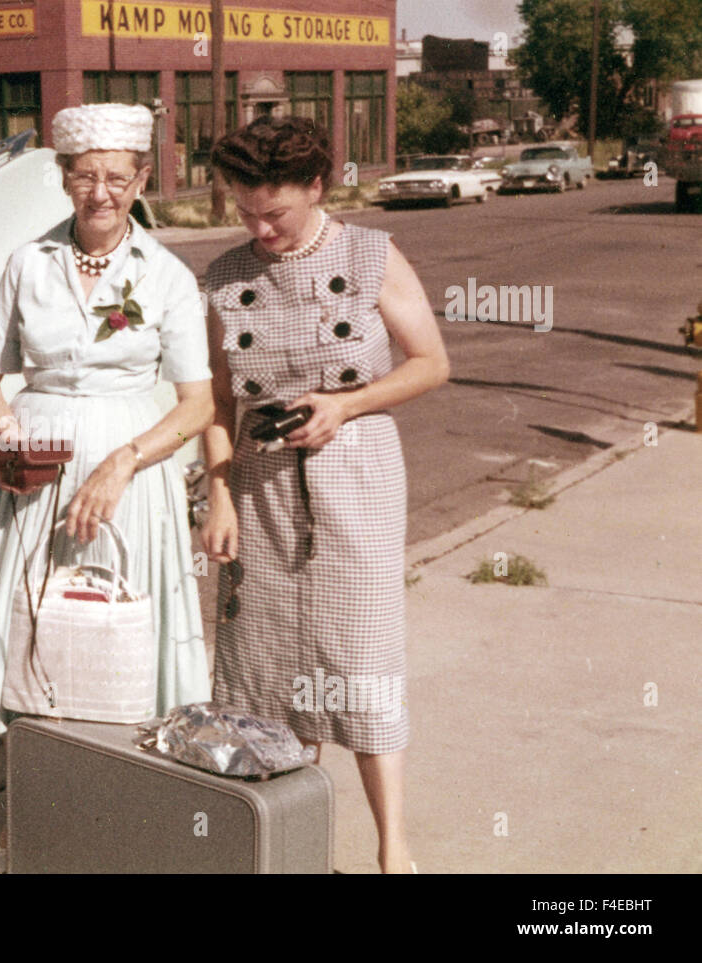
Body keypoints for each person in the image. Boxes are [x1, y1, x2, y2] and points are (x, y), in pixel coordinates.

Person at [199, 116, 449, 875]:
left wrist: (345, 405)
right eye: (244, 212)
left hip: (357, 477)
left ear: (316, 186)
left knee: (362, 655)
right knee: (266, 668)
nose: (259, 228)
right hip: (260, 486)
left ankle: (392, 849)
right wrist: (218, 494)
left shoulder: (372, 254)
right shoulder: (222, 276)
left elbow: (432, 362)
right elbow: (214, 397)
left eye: (274, 213)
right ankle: (291, 844)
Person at [0, 102, 215, 751]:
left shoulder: (167, 276)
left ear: (142, 180)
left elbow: (197, 405)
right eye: (86, 176)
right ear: (64, 177)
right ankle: (31, 801)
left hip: (130, 481)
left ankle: (118, 798)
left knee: (113, 634)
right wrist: (8, 429)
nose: (101, 194)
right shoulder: (26, 264)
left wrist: (123, 462)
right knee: (32, 630)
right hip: (32, 479)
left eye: (117, 179)